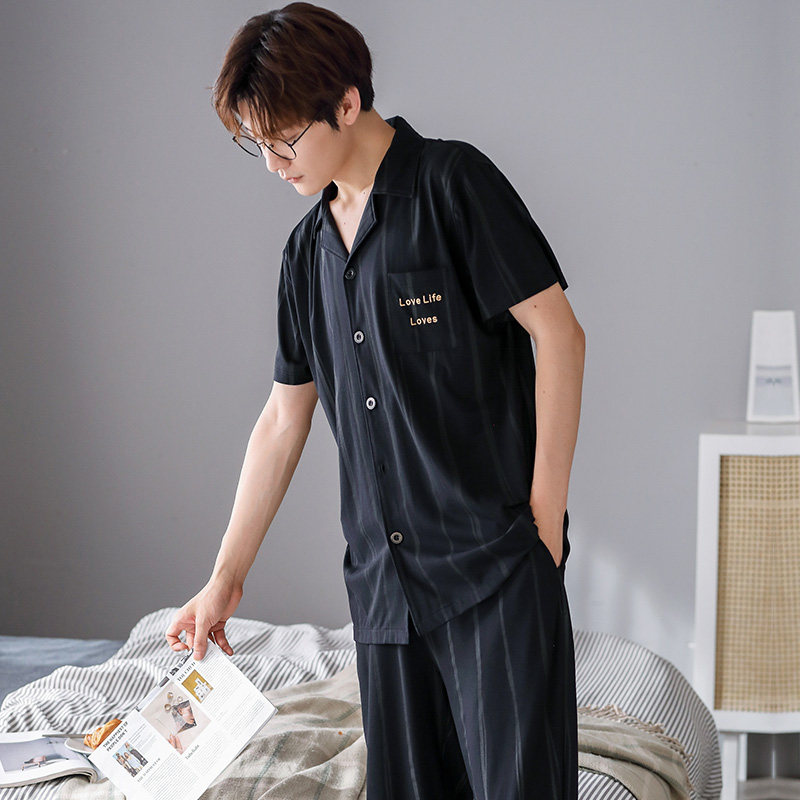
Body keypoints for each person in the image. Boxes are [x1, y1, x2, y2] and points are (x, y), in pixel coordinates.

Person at [165, 4, 585, 798]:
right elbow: (282, 419)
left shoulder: (453, 186)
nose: (272, 164)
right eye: (256, 143)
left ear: (347, 103)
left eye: (284, 140)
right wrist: (224, 578)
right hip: (385, 596)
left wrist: (546, 522)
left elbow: (559, 335)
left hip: (494, 570)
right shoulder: (304, 255)